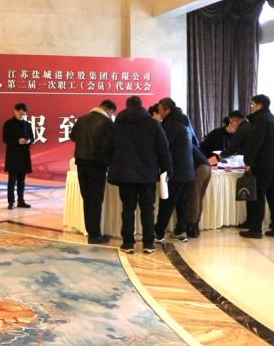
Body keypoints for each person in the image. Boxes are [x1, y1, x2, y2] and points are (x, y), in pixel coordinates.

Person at [105, 96, 172, 254]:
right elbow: (163, 149)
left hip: (125, 174)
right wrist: (167, 169)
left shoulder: (117, 125)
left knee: (128, 209)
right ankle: (148, 243)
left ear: (127, 106)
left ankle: (128, 243)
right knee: (147, 209)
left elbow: (107, 148)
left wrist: (111, 165)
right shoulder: (153, 124)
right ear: (141, 106)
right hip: (147, 175)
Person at [70, 99, 117, 244]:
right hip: (97, 166)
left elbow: (72, 136)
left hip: (81, 164)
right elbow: (111, 145)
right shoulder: (107, 123)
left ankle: (91, 231)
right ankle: (95, 235)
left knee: (87, 199)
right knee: (96, 200)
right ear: (109, 111)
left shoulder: (82, 119)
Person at [241, 94, 274, 239]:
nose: (251, 107)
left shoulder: (260, 120)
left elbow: (256, 143)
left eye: (252, 104)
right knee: (273, 195)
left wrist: (248, 161)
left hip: (264, 164)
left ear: (259, 105)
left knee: (258, 195)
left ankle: (255, 229)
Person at [154, 97, 195, 243]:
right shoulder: (183, 121)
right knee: (182, 202)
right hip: (187, 170)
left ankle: (159, 233)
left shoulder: (171, 124)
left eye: (160, 110)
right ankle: (181, 230)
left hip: (176, 170)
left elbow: (162, 147)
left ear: (167, 110)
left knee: (167, 202)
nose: (159, 113)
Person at [3, 103, 34, 210]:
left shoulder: (27, 124)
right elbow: (5, 139)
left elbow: (32, 138)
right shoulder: (8, 124)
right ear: (15, 111)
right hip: (13, 156)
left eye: (24, 114)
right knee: (12, 180)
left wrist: (29, 141)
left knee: (22, 181)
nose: (22, 116)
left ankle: (21, 201)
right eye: (20, 114)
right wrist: (17, 141)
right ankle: (11, 202)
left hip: (24, 156)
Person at [186, 144, 211, 238]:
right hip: (207, 168)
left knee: (194, 198)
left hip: (199, 169)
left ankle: (191, 227)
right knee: (199, 199)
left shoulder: (184, 144)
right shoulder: (191, 144)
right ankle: (196, 225)